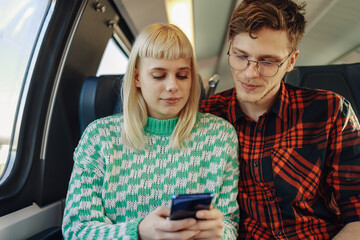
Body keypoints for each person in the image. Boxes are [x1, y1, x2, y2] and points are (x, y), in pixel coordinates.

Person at [62, 23, 239, 239]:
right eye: (159, 75)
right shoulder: (99, 138)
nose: (173, 85)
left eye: (182, 75)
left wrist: (219, 234)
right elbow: (76, 229)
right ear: (137, 78)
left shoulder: (220, 137)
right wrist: (137, 232)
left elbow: (230, 225)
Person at [199, 0, 360, 239]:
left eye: (267, 61)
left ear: (291, 61)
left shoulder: (331, 112)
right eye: (241, 56)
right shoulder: (205, 117)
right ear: (229, 48)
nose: (250, 73)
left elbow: (356, 216)